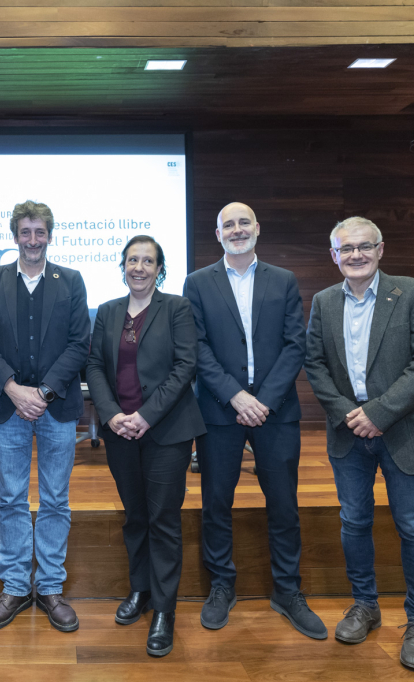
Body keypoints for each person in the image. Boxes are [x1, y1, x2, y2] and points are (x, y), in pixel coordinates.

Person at [304, 216, 414, 672]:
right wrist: (351, 413)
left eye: (364, 247)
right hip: (349, 432)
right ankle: (365, 605)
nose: (356, 255)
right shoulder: (324, 302)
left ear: (381, 249)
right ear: (334, 256)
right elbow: (315, 364)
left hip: (403, 431)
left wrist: (379, 413)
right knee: (354, 521)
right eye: (346, 249)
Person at [183, 202, 327, 640]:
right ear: (218, 232)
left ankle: (287, 590)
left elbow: (293, 346)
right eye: (229, 223)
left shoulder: (282, 280)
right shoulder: (197, 282)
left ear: (258, 229)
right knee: (216, 505)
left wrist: (261, 400)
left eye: (244, 222)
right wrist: (236, 396)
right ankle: (223, 586)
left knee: (283, 504)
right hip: (220, 411)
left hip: (275, 411)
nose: (237, 229)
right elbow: (197, 348)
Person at [86, 236, 205, 657]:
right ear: (122, 266)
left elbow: (185, 365)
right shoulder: (108, 311)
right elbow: (95, 366)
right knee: (135, 516)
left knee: (164, 520)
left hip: (166, 431)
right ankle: (140, 590)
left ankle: (164, 609)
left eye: (148, 261)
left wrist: (145, 416)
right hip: (120, 431)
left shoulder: (176, 308)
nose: (139, 267)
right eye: (132, 260)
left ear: (160, 268)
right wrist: (112, 413)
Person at [0, 200, 90, 632]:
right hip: (8, 407)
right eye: (26, 232)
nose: (33, 240)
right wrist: (11, 387)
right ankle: (16, 587)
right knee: (11, 500)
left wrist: (40, 393)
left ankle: (52, 587)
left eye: (40, 232)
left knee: (56, 500)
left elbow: (80, 343)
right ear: (15, 235)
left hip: (56, 407)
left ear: (50, 235)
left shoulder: (71, 281)